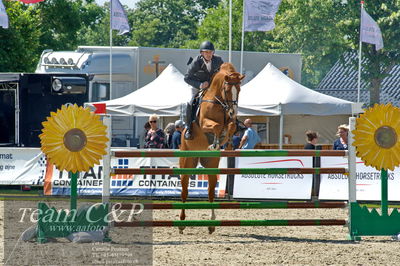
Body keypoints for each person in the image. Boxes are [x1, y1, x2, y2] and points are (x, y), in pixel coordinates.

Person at [183, 40, 224, 140]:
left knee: (226, 100)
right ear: (201, 53)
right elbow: (187, 78)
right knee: (191, 101)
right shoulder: (196, 62)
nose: (209, 54)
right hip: (197, 86)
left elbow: (223, 73)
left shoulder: (218, 60)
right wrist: (200, 85)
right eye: (206, 52)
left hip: (212, 88)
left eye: (210, 52)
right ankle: (188, 127)